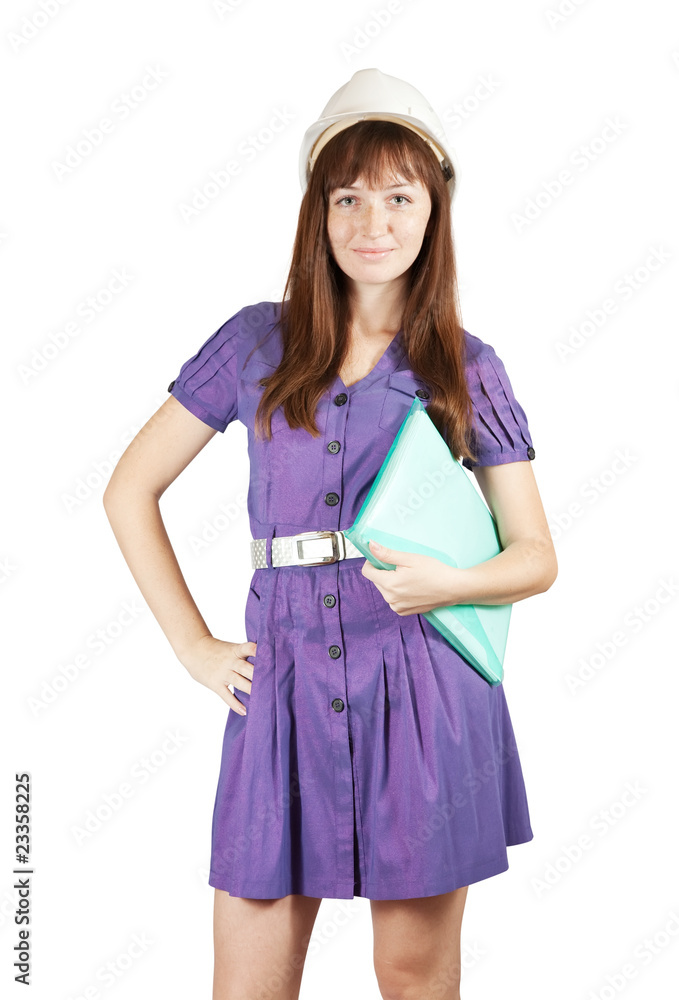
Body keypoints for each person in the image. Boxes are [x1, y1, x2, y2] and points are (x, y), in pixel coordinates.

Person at [103, 68, 557, 1000]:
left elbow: (535, 555)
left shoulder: (466, 367)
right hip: (279, 691)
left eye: (398, 197)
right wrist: (192, 647)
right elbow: (128, 490)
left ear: (434, 211)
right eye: (347, 197)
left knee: (410, 975)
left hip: (423, 695)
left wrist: (446, 586)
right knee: (248, 984)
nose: (371, 222)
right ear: (318, 211)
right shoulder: (254, 343)